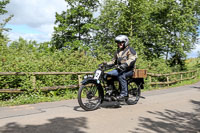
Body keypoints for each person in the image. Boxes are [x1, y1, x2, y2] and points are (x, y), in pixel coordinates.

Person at [102, 35, 137, 101]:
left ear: (125, 42)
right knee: (107, 75)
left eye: (121, 42)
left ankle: (124, 94)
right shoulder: (117, 52)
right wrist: (105, 64)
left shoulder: (130, 50)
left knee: (121, 76)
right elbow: (113, 61)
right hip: (119, 69)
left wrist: (125, 64)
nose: (119, 44)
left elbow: (133, 59)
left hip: (129, 70)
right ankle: (111, 91)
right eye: (118, 43)